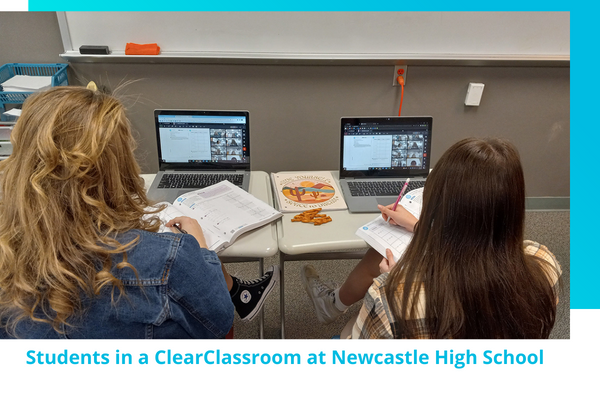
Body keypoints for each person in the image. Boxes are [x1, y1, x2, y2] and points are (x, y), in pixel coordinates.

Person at [0, 85, 277, 339]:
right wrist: (200, 249)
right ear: (117, 166)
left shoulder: (8, 251)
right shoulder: (170, 258)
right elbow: (219, 319)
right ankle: (238, 291)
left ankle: (241, 290)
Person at [302, 137, 561, 339]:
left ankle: (333, 305)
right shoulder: (544, 262)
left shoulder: (394, 298)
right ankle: (332, 303)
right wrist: (417, 226)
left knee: (355, 321)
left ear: (438, 205)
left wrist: (393, 282)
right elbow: (480, 239)